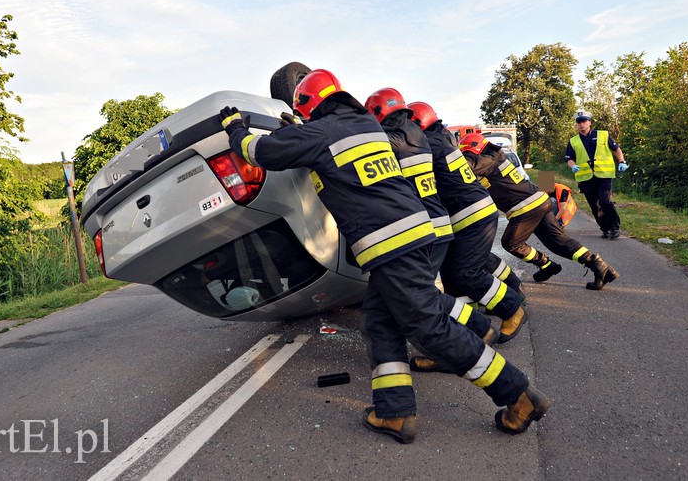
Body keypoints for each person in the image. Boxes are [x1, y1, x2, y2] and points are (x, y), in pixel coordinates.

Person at [219, 69, 550, 443]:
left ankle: (517, 395)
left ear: (310, 105)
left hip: (391, 244)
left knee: (429, 328)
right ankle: (394, 412)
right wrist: (299, 128)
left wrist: (234, 126)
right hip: (413, 233)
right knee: (379, 322)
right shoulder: (366, 126)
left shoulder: (321, 133)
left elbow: (257, 152)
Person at [364, 88, 497, 346]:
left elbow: (365, 145)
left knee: (421, 292)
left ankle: (475, 331)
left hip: (427, 229)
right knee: (425, 289)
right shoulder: (420, 136)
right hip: (439, 224)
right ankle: (478, 327)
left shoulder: (396, 139)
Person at [406, 101, 528, 348]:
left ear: (418, 124)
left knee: (466, 273)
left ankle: (512, 307)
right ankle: (468, 327)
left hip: (471, 215)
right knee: (451, 275)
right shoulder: (442, 137)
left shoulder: (428, 143)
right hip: (468, 213)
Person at [459, 133, 619, 291]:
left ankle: (546, 264)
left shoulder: (486, 160)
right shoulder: (495, 156)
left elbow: (465, 167)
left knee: (510, 243)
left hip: (525, 207)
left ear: (473, 150)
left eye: (466, 154)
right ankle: (599, 266)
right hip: (539, 200)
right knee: (558, 242)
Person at [565, 110, 629, 239]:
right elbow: (569, 159)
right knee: (594, 205)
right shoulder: (573, 141)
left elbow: (616, 149)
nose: (581, 124)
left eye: (584, 121)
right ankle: (605, 228)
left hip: (604, 175)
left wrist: (622, 161)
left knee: (605, 201)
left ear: (589, 122)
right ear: (576, 125)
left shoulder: (602, 135)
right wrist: (573, 166)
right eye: (579, 122)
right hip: (585, 177)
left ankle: (614, 227)